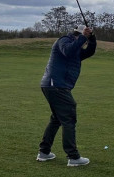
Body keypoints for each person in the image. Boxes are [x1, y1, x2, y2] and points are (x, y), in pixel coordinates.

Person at [36, 25, 97, 167]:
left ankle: (44, 152)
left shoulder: (76, 46)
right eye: (82, 36)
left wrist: (92, 38)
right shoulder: (64, 40)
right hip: (56, 85)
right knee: (69, 117)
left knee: (57, 118)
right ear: (78, 34)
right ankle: (73, 157)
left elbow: (89, 52)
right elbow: (68, 52)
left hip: (56, 85)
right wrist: (83, 37)